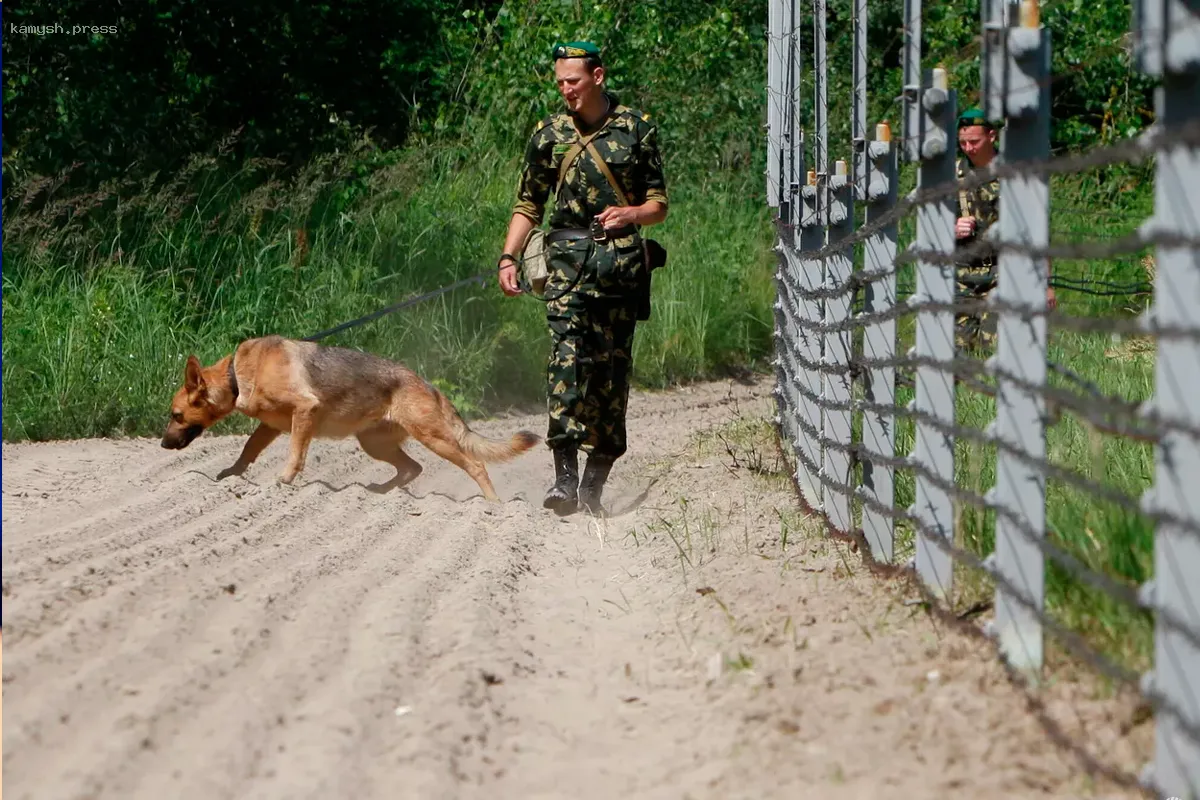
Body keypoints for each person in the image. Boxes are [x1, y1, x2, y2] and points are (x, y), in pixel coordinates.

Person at [496, 40, 668, 515]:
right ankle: (564, 481)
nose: (565, 90)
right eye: (559, 83)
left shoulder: (637, 130)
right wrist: (508, 257)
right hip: (566, 271)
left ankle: (595, 483)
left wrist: (630, 213)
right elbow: (528, 204)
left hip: (620, 272)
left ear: (597, 76)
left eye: (572, 80)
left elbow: (659, 205)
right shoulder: (549, 134)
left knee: (609, 376)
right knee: (565, 366)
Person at [954, 107, 1056, 352]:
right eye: (963, 142)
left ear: (992, 136)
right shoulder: (949, 176)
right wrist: (952, 228)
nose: (969, 148)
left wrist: (1046, 284)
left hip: (1004, 276)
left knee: (998, 349)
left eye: (974, 141)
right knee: (957, 354)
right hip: (960, 278)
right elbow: (929, 225)